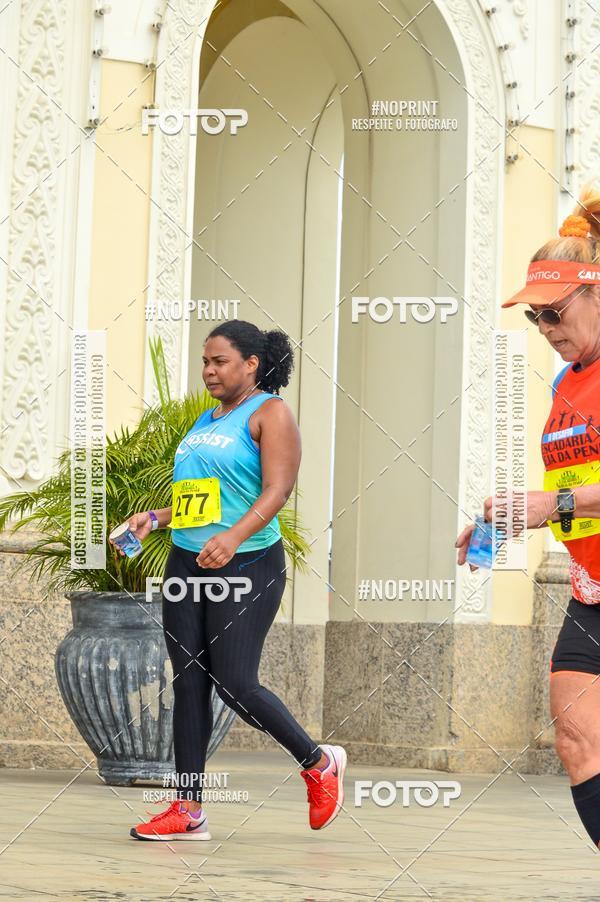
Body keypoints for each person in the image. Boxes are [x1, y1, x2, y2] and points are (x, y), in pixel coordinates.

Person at [110, 320, 346, 840]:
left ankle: (318, 762)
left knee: (236, 684)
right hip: (187, 561)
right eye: (205, 361)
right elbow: (205, 499)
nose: (209, 370)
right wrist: (154, 518)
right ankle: (187, 809)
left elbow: (276, 490)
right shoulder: (206, 418)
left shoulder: (271, 413)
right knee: (188, 681)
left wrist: (235, 538)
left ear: (251, 364)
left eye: (219, 361)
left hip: (247, 565)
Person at [455, 183, 600, 849]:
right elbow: (573, 479)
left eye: (554, 312)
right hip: (592, 589)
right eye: (534, 318)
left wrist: (554, 504)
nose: (545, 329)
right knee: (575, 738)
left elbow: (567, 493)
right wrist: (513, 515)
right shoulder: (568, 380)